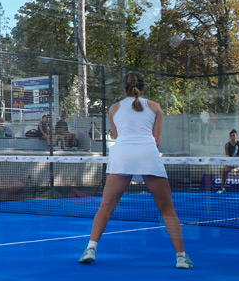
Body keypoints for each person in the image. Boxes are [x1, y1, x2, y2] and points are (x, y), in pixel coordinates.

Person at [78, 72, 193, 269]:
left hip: (121, 154)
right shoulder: (155, 107)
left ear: (124, 88)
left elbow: (117, 135)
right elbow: (156, 141)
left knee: (106, 205)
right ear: (144, 87)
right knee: (166, 208)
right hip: (147, 153)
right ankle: (181, 257)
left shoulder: (114, 109)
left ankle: (90, 249)